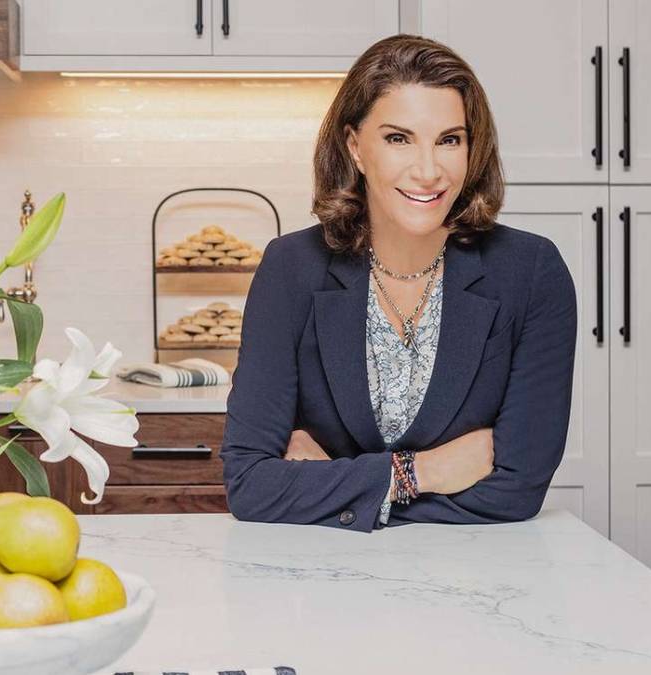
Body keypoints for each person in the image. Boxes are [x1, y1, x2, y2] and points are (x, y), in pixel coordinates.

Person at [220, 34, 577, 532]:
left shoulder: (531, 271)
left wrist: (327, 486)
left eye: (449, 140)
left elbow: (517, 491)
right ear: (354, 147)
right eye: (398, 139)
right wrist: (419, 473)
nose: (428, 171)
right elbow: (251, 485)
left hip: (475, 572)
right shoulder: (291, 268)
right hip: (320, 572)